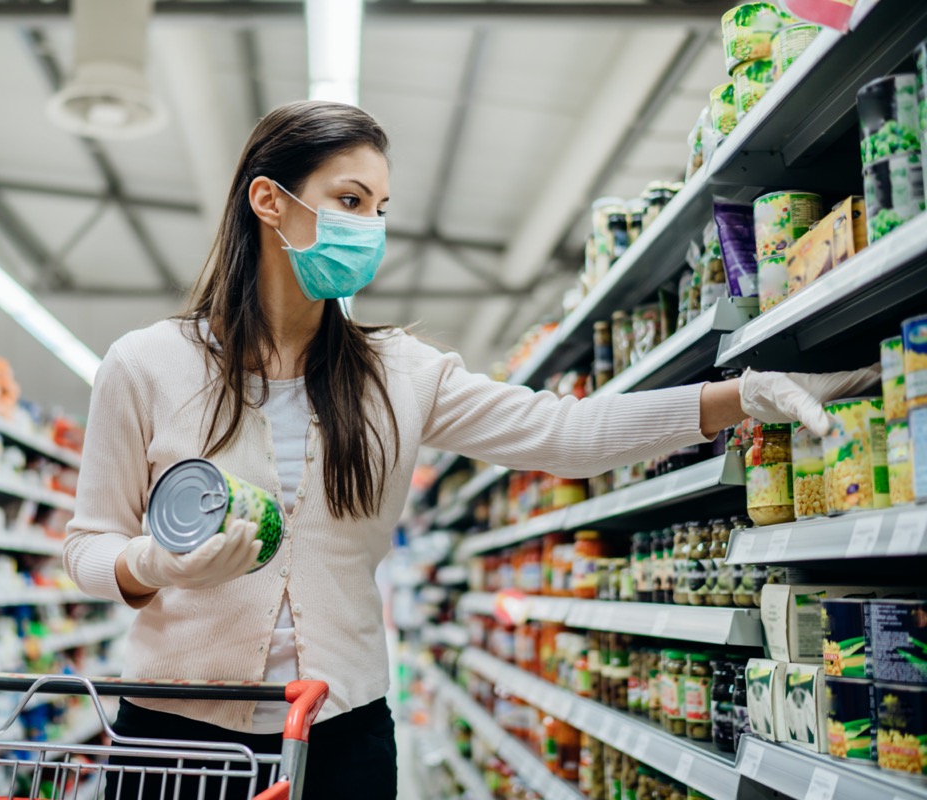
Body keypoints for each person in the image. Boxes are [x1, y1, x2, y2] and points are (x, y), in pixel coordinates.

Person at [63, 101, 876, 799]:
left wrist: (741, 394)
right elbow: (87, 544)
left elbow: (566, 434)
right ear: (269, 202)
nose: (369, 229)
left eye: (380, 208)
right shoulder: (145, 365)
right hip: (174, 735)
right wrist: (151, 567)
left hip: (341, 734)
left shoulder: (399, 374)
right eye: (348, 199)